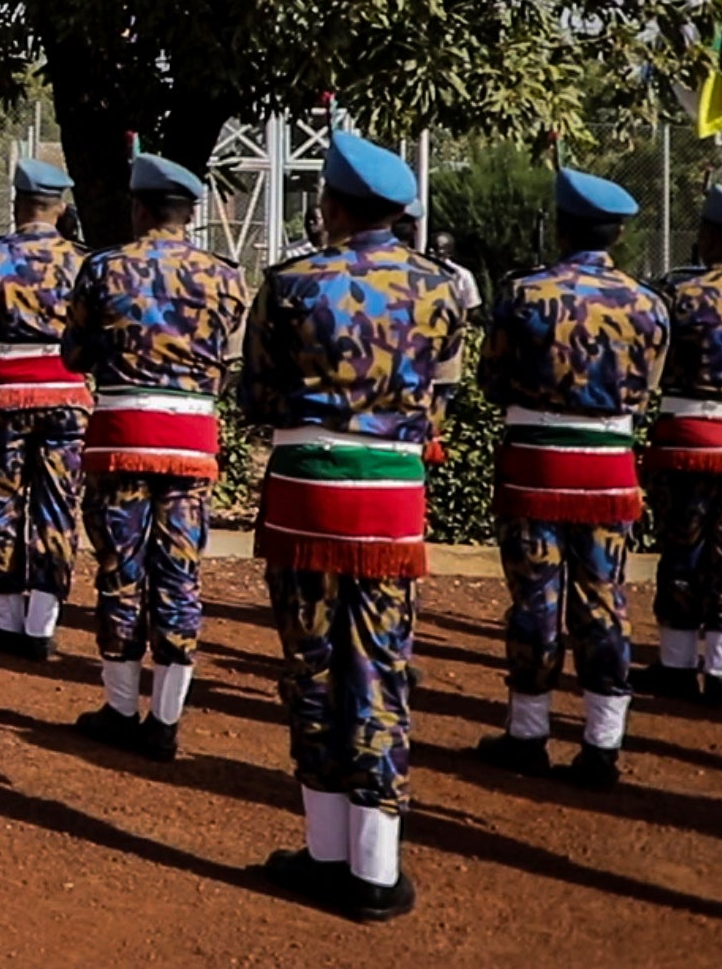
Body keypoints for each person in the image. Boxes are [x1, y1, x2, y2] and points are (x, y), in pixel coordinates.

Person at [241, 132, 464, 923]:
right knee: (381, 669)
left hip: (305, 493)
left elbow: (256, 398)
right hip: (392, 501)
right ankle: (376, 866)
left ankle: (326, 850)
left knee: (312, 669)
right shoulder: (442, 289)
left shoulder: (292, 280)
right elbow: (442, 397)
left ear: (331, 204)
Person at [469, 168, 666, 789]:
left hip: (536, 463)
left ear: (560, 226)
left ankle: (528, 733)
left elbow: (491, 380)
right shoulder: (647, 302)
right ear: (618, 234)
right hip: (609, 467)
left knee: (536, 600)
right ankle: (603, 743)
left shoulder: (524, 294)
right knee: (604, 596)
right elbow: (650, 387)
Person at [63, 153, 249, 759]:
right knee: (179, 573)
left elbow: (74, 355)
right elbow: (233, 356)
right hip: (191, 442)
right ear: (190, 213)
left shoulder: (104, 267)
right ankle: (165, 720)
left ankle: (120, 707)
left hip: (121, 435)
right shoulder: (226, 274)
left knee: (121, 572)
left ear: (140, 208)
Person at [0, 158, 91, 659]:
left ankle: (6, 619)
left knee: (2, 504)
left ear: (17, 205)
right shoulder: (82, 261)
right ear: (61, 208)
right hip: (67, 396)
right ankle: (42, 625)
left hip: (1, 395)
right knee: (57, 507)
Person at [641, 185, 722, 708]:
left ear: (708, 236)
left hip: (687, 439)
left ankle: (679, 665)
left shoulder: (679, 295)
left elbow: (649, 375)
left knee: (682, 551)